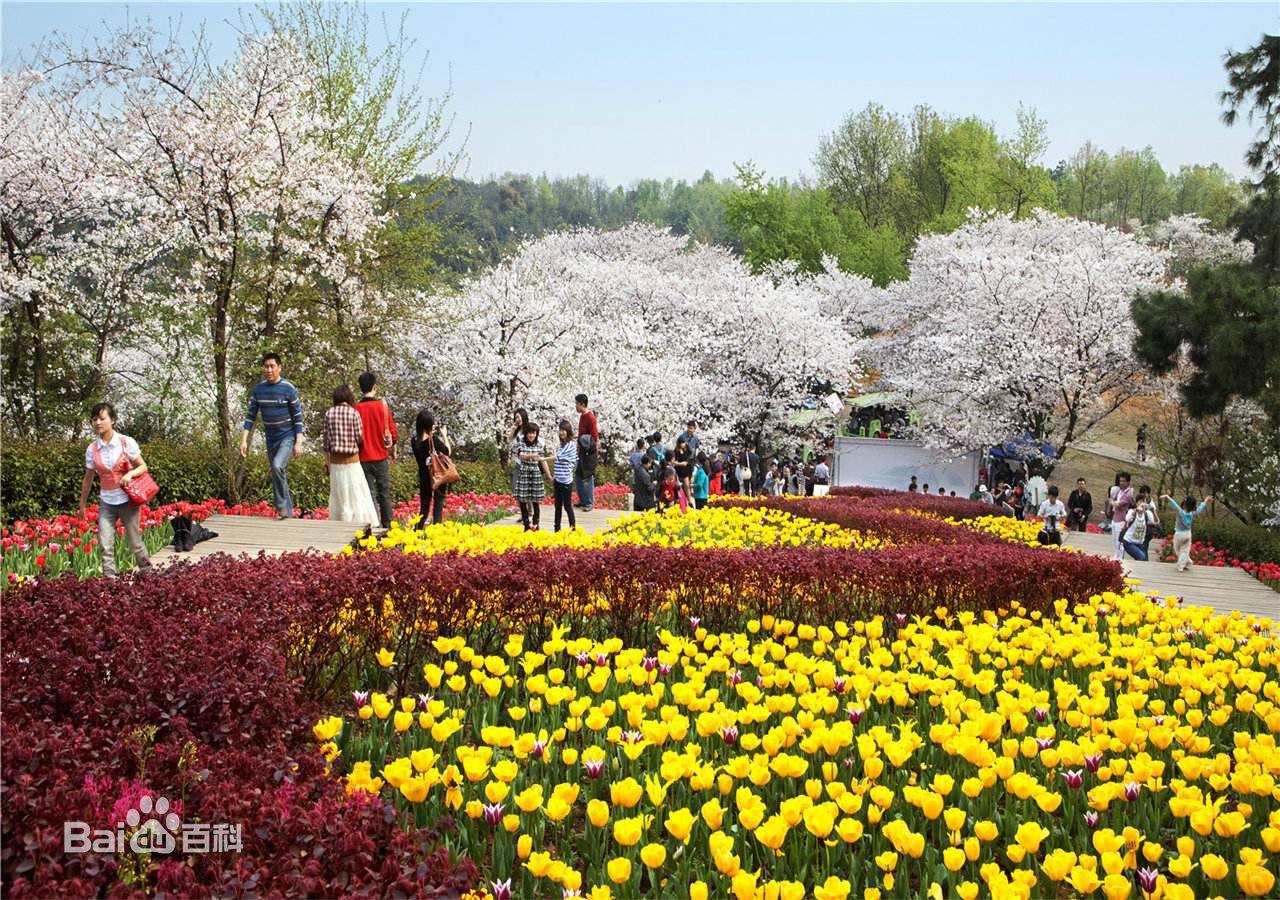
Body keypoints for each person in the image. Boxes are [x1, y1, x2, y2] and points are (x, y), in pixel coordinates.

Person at [79, 402, 153, 578]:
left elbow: (143, 467)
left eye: (102, 418)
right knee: (105, 544)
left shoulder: (126, 442)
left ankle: (149, 575)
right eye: (94, 419)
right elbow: (88, 478)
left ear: (112, 420)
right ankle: (110, 582)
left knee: (134, 542)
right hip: (107, 502)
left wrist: (130, 475)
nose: (98, 423)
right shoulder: (92, 449)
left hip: (128, 501)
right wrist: (82, 505)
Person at [241, 352, 304, 518]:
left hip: (287, 436)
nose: (268, 370)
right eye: (266, 366)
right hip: (270, 438)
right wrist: (244, 441)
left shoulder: (289, 389)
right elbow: (250, 417)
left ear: (279, 367)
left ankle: (282, 507)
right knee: (277, 471)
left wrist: (298, 442)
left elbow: (298, 418)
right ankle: (287, 513)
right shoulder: (259, 390)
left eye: (272, 366)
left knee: (277, 466)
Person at [323, 385, 380, 526]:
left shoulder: (329, 414)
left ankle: (340, 523)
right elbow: (360, 437)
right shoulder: (354, 413)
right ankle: (358, 523)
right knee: (356, 493)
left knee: (339, 494)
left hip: (336, 461)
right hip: (352, 461)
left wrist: (326, 460)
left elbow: (326, 440)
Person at [355, 371, 398, 529]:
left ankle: (375, 525)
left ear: (360, 389)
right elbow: (393, 433)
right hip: (381, 456)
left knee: (369, 494)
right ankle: (389, 525)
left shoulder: (356, 409)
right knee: (384, 492)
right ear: (375, 387)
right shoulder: (383, 407)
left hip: (363, 457)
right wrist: (392, 447)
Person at [411, 411, 452, 527]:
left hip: (424, 477)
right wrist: (444, 435)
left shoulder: (414, 441)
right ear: (428, 424)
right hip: (437, 475)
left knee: (424, 509)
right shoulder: (433, 440)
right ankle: (436, 531)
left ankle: (417, 532)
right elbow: (448, 451)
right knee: (438, 506)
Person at [512, 421, 549, 531]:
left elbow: (542, 461)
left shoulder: (539, 444)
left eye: (534, 433)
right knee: (523, 501)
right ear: (526, 433)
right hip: (524, 473)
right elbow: (521, 456)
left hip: (535, 473)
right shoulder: (521, 442)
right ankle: (526, 525)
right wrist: (531, 456)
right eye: (530, 433)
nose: (532, 435)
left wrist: (549, 475)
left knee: (535, 501)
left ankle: (536, 524)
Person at [1163, 493, 1211, 571]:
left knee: (1178, 550)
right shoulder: (1192, 513)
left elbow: (1174, 504)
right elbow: (1199, 509)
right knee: (1185, 551)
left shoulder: (1180, 511)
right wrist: (1205, 501)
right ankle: (1186, 563)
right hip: (1187, 534)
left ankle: (1181, 565)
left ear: (1184, 503)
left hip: (1178, 534)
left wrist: (1167, 497)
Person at [549, 420, 579, 532]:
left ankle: (573, 528)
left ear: (568, 431)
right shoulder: (563, 445)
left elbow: (558, 457)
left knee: (567, 506)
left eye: (564, 430)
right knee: (557, 506)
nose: (561, 432)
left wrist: (543, 459)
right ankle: (557, 529)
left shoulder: (571, 445)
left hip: (566, 481)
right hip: (558, 480)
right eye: (560, 430)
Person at [574, 394, 599, 512]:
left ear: (582, 404)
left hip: (588, 453)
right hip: (581, 452)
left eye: (577, 404)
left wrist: (584, 444)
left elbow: (594, 436)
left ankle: (589, 502)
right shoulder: (582, 416)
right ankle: (583, 500)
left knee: (588, 477)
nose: (576, 406)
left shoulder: (590, 417)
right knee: (578, 476)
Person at [1119, 496, 1155, 561]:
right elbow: (1127, 519)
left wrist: (1153, 511)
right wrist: (1136, 510)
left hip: (1140, 543)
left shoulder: (1147, 513)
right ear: (1136, 503)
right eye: (1140, 502)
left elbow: (1155, 521)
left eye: (1144, 502)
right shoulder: (1131, 511)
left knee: (1145, 560)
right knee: (1141, 557)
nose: (1142, 504)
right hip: (1129, 542)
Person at [1109, 473, 1134, 561]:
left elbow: (1117, 504)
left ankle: (1120, 559)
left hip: (1122, 520)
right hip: (1115, 518)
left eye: (1123, 481)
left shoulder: (1128, 494)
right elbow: (1113, 501)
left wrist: (1112, 501)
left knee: (1120, 541)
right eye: (1120, 481)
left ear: (1128, 482)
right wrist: (1112, 501)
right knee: (1114, 539)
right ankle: (1116, 555)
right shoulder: (1120, 491)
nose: (1121, 483)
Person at [507, 407, 530, 495]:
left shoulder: (529, 429)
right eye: (515, 417)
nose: (517, 419)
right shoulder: (517, 431)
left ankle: (530, 507)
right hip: (518, 462)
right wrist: (513, 429)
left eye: (518, 417)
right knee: (515, 488)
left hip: (528, 462)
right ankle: (521, 508)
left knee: (527, 489)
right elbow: (509, 442)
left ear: (524, 416)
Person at [671, 436, 695, 505]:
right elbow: (674, 462)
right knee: (677, 486)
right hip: (678, 470)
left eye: (684, 443)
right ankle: (677, 500)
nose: (683, 444)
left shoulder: (687, 450)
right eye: (682, 443)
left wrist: (678, 463)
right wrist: (679, 463)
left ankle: (689, 500)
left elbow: (686, 462)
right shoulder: (675, 451)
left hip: (685, 470)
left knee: (687, 485)